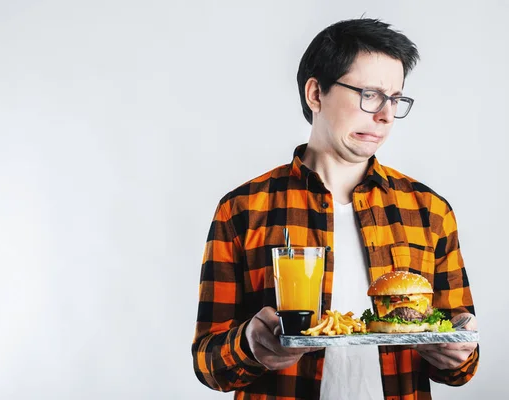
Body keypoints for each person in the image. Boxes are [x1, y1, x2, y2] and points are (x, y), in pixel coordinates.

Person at [192, 17, 479, 400]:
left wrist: (460, 352)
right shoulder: (243, 209)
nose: (386, 115)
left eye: (395, 99)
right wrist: (248, 345)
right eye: (370, 94)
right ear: (316, 94)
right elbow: (208, 363)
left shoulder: (430, 211)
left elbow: (462, 363)